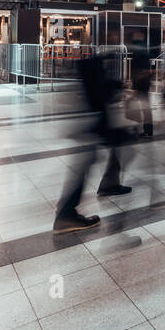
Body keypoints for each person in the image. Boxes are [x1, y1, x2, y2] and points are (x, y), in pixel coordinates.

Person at [53, 53, 132, 235]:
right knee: (82, 167)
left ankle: (68, 210)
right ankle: (65, 214)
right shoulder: (93, 74)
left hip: (89, 125)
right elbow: (100, 94)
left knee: (86, 164)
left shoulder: (90, 72)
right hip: (89, 125)